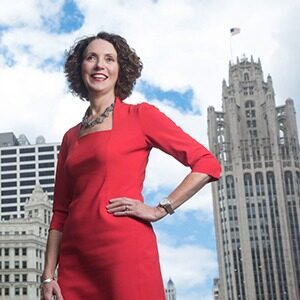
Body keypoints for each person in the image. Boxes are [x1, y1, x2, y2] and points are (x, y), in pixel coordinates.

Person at [41, 31, 221, 300]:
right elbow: (60, 211)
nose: (100, 65)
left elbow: (207, 164)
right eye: (92, 57)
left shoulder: (141, 116)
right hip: (75, 261)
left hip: (124, 252)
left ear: (120, 69)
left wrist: (162, 208)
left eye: (109, 59)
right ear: (80, 68)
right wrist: (47, 275)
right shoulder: (70, 137)